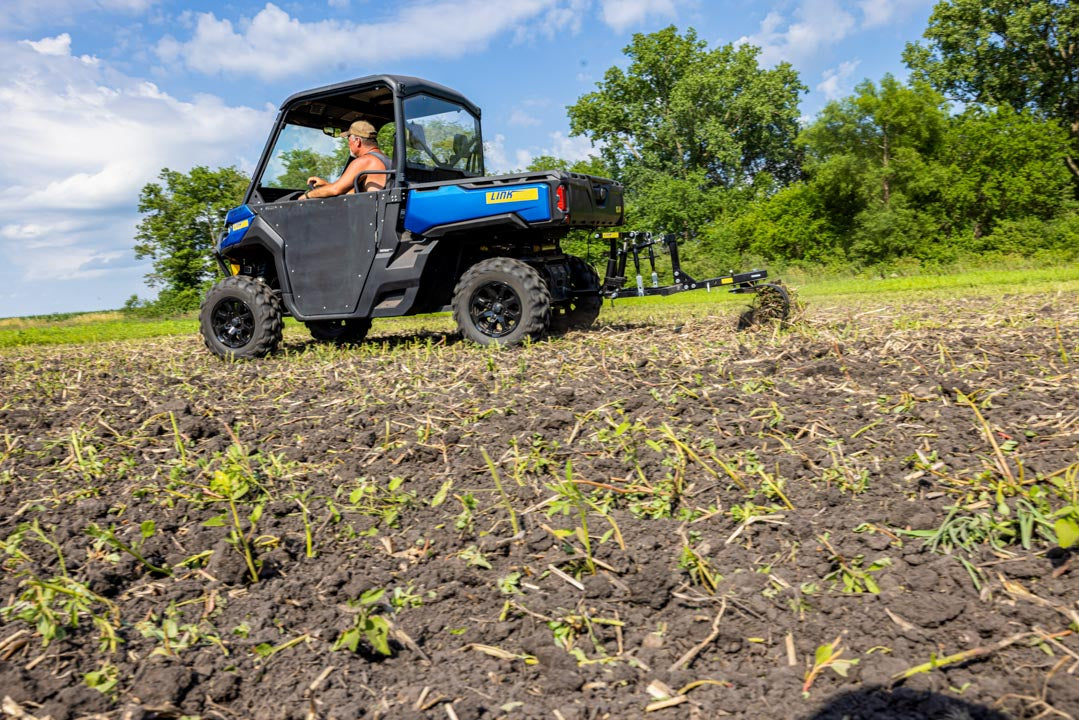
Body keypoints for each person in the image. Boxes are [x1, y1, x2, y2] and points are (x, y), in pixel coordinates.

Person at [303, 120, 391, 199]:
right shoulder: (386, 160)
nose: (348, 144)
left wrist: (307, 196)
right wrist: (327, 185)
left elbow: (335, 190)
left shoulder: (364, 161)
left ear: (357, 141)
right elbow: (350, 193)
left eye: (348, 139)